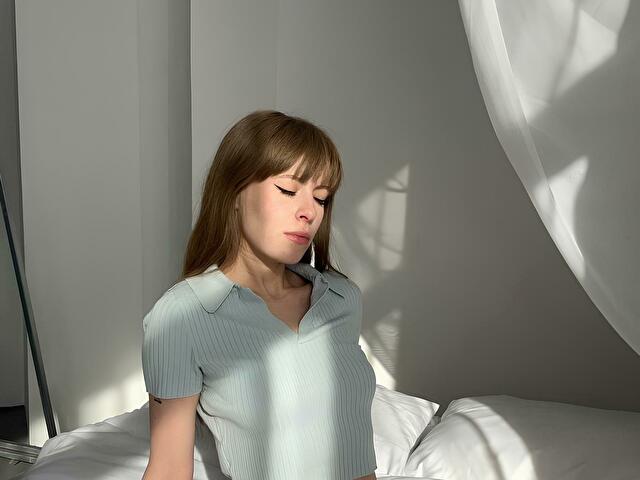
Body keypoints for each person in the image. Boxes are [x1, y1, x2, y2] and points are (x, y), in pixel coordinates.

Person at [141, 110, 377, 480]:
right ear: (233, 193)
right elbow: (169, 469)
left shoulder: (342, 299)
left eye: (321, 198)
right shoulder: (181, 317)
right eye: (288, 191)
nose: (309, 212)